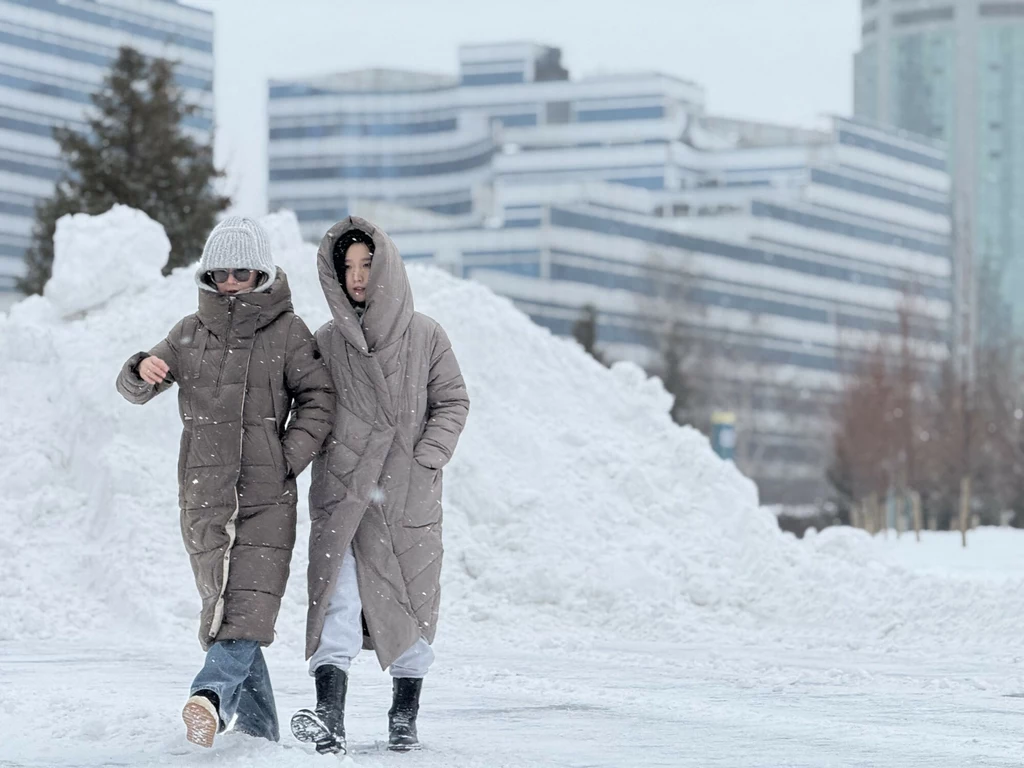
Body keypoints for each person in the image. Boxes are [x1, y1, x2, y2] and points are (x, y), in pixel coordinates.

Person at [115, 216, 335, 748]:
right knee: (224, 610)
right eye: (220, 273)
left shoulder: (289, 331)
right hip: (204, 495)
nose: (230, 283)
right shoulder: (190, 332)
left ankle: (209, 695)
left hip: (265, 496)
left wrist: (285, 458)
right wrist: (140, 367)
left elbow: (319, 399)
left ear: (261, 273)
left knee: (245, 609)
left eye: (241, 272)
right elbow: (136, 387)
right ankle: (259, 738)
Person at [290, 217, 469, 756]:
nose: (358, 277)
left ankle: (404, 715)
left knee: (411, 604)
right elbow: (311, 408)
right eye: (347, 267)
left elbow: (453, 402)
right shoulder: (326, 341)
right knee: (336, 602)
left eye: (367, 264)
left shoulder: (426, 334)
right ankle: (329, 718)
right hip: (344, 496)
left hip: (406, 495)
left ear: (387, 266)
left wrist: (426, 458)